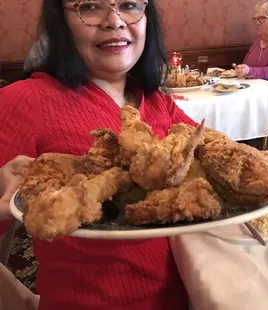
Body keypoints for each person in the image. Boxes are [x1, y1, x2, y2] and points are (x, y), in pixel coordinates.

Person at [0, 0, 195, 309]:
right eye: (90, 6)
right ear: (61, 23)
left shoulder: (157, 100)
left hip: (193, 291)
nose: (114, 20)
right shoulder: (23, 100)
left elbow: (211, 153)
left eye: (129, 4)